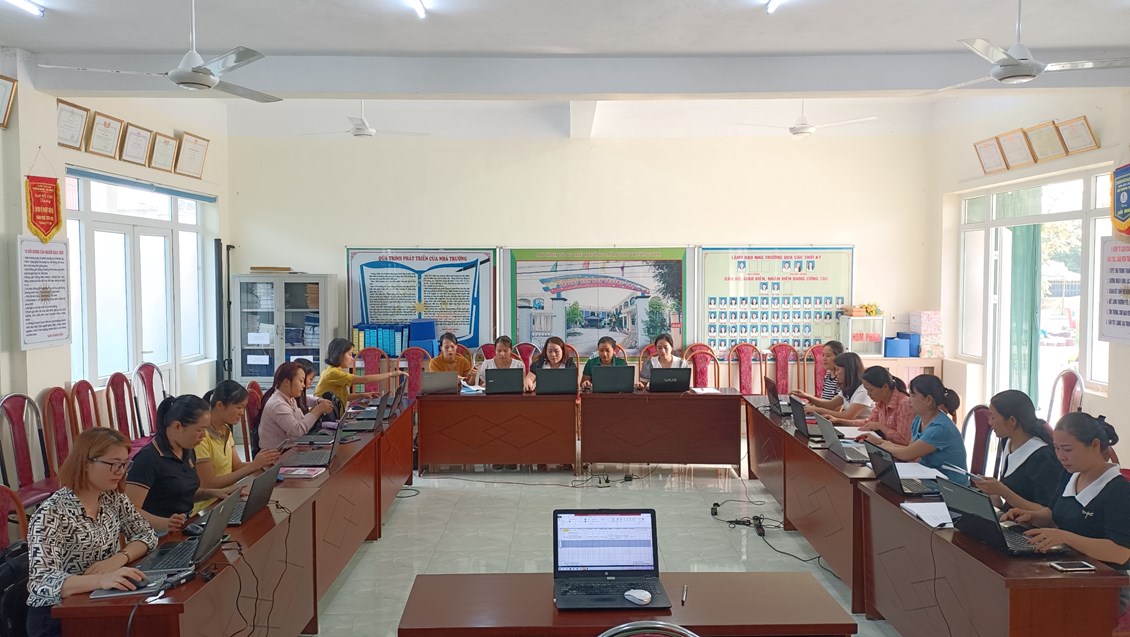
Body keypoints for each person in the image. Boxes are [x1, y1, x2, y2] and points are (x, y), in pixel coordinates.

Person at [26, 429, 158, 637]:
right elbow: (42, 581)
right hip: (56, 615)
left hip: (98, 600)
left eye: (124, 464)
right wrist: (102, 580)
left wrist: (118, 559)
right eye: (113, 464)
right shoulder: (51, 513)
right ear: (86, 463)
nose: (120, 471)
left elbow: (146, 534)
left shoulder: (112, 497)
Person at [1001, 413, 1130, 614]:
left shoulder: (1119, 491)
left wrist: (1065, 537)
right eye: (1056, 448)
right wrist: (1031, 516)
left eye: (1067, 449)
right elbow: (1054, 514)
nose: (1061, 456)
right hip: (1067, 569)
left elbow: (1119, 552)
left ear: (1095, 445)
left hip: (1105, 584)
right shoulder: (1070, 474)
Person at [126, 395, 236, 532]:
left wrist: (214, 493)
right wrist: (166, 524)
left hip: (184, 526)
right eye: (199, 430)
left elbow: (181, 493)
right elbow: (130, 511)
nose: (203, 436)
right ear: (177, 426)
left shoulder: (187, 450)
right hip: (156, 534)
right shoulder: (148, 459)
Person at [193, 380, 282, 514]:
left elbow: (236, 466)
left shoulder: (225, 429)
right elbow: (208, 484)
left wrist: (262, 463)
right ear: (219, 405)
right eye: (239, 407)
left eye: (244, 408)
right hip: (208, 507)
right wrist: (253, 466)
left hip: (227, 500)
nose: (242, 412)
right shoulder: (201, 437)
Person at [861, 374, 967, 483]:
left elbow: (906, 454)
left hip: (949, 487)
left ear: (928, 400)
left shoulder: (940, 428)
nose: (909, 400)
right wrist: (880, 442)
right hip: (929, 479)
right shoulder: (918, 419)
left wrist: (883, 447)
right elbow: (910, 449)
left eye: (913, 395)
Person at [970, 390, 1065, 511]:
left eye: (993, 417)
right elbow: (1005, 500)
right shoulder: (1007, 441)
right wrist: (993, 492)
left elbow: (1047, 512)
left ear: (1012, 421)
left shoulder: (1042, 457)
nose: (990, 422)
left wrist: (1003, 491)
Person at [314, 338, 408, 417]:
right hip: (323, 418)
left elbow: (344, 397)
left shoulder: (335, 371)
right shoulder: (332, 373)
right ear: (339, 355)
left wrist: (364, 395)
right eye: (350, 354)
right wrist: (391, 374)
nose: (352, 358)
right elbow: (363, 379)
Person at [258, 361, 334, 451]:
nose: (303, 385)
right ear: (286, 382)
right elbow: (298, 430)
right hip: (277, 454)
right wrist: (318, 410)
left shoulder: (290, 398)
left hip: (289, 448)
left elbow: (301, 418)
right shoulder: (277, 404)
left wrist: (318, 402)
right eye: (301, 381)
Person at [835, 366, 914, 445]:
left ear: (885, 387)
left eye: (871, 390)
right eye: (867, 390)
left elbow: (904, 440)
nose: (868, 394)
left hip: (897, 450)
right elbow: (869, 423)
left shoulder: (904, 404)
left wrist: (881, 426)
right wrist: (840, 421)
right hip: (886, 447)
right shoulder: (881, 402)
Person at [801, 352, 873, 421]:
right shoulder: (848, 387)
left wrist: (817, 410)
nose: (836, 374)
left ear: (848, 370)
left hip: (857, 427)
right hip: (849, 426)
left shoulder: (864, 390)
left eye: (837, 369)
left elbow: (848, 416)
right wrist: (807, 396)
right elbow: (831, 404)